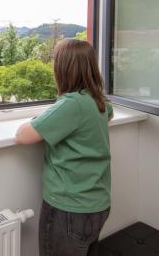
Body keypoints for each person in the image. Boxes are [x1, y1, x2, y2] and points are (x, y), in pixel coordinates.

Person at [15, 39, 112, 256]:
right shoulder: (99, 101)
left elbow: (22, 136)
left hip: (70, 210)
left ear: (64, 68)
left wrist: (44, 119)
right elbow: (106, 118)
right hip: (98, 205)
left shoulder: (72, 103)